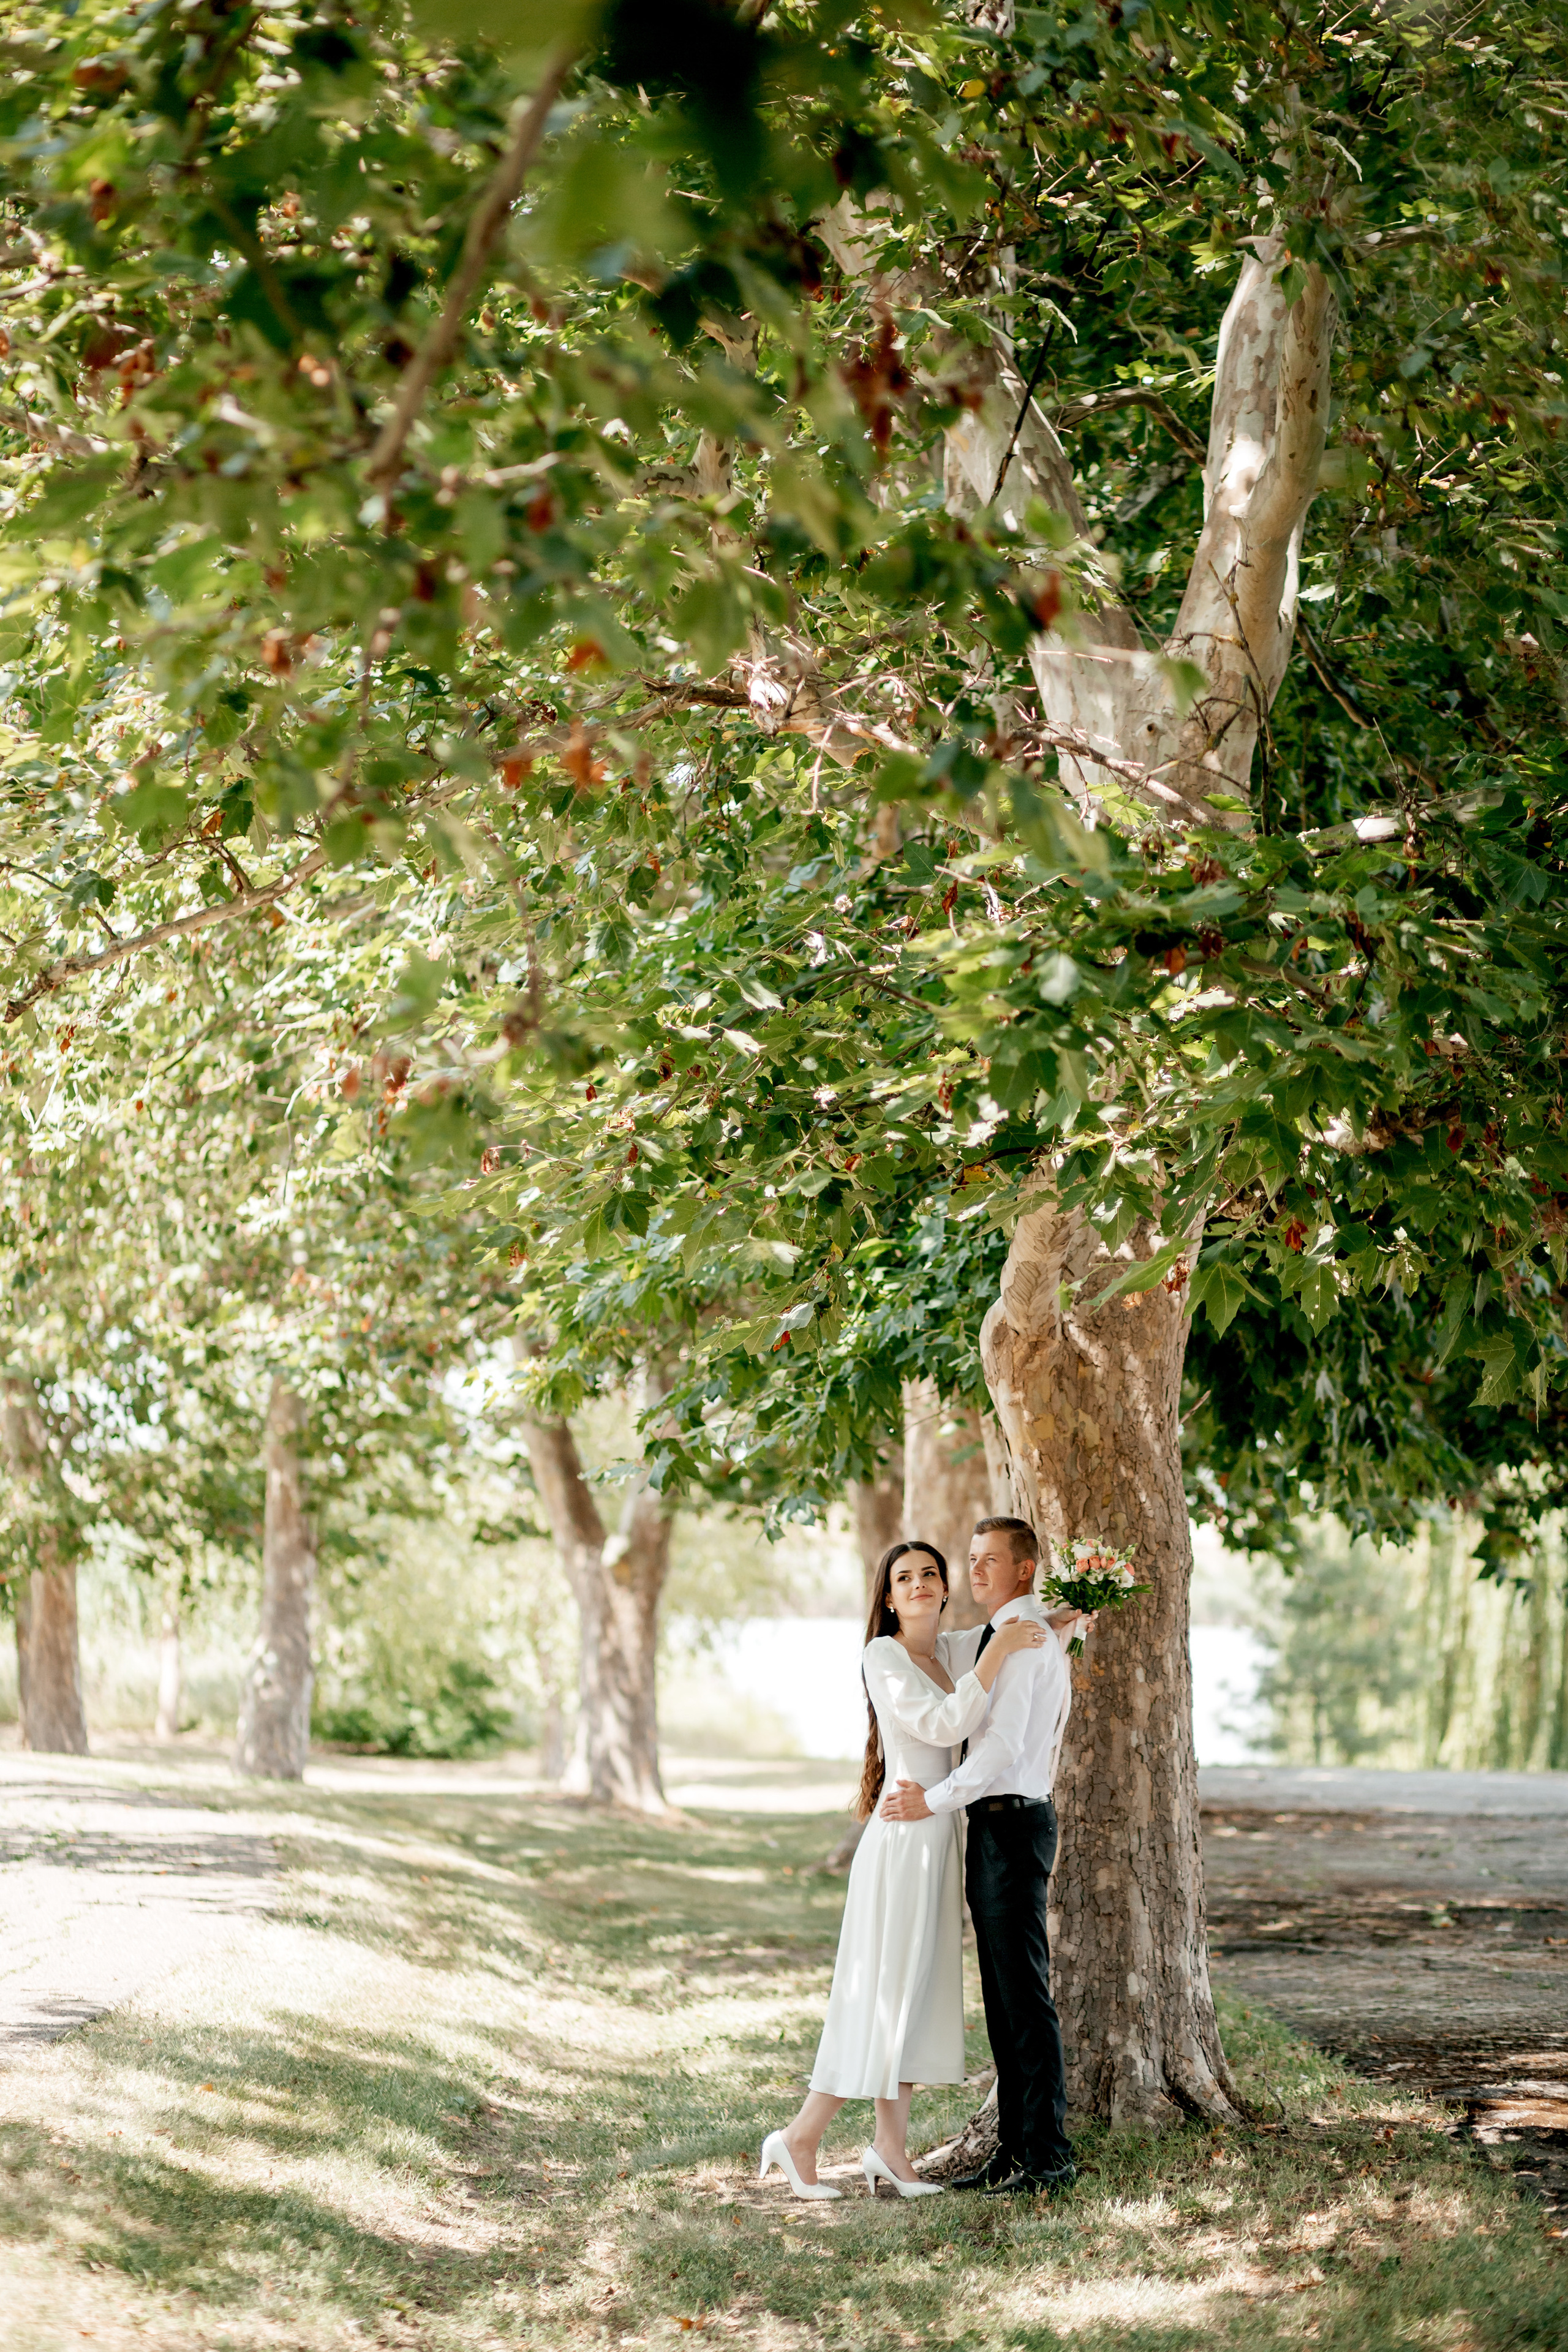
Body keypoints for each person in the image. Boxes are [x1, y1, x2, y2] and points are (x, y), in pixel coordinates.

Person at [758, 1540, 1051, 2201]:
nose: (918, 1584)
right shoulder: (883, 1654)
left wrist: (1066, 1614)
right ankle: (800, 2138)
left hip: (939, 1835)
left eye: (929, 1574)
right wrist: (1002, 1651)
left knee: (913, 1996)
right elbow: (946, 1722)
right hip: (902, 1841)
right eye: (903, 1578)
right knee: (881, 1993)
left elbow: (1015, 1618)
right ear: (887, 1597)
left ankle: (890, 2150)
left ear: (943, 1590)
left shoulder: (948, 1650)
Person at [880, 1515, 1088, 2198]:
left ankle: (1047, 2158)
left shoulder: (1022, 1644)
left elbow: (996, 1751)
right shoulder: (1008, 1635)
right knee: (1003, 2002)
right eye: (968, 1559)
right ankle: (1015, 2151)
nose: (973, 1571)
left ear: (1022, 1569)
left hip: (1010, 1825)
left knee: (1023, 2000)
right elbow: (963, 1661)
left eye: (988, 1560)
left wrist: (932, 1800)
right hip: (998, 1827)